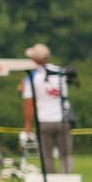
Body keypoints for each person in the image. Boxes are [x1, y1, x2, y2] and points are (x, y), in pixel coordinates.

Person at [21, 44, 73, 172]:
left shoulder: (32, 77)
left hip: (44, 120)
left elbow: (29, 103)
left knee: (47, 156)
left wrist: (28, 125)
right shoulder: (60, 72)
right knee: (65, 155)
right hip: (63, 118)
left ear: (35, 59)